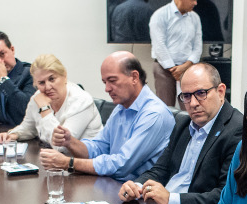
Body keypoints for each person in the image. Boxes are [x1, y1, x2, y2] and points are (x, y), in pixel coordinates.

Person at [118, 62, 241, 204]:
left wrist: (170, 199)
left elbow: (224, 196)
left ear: (220, 91)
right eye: (187, 96)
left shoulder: (237, 130)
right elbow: (160, 170)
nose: (193, 103)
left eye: (201, 93)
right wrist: (137, 186)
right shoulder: (183, 124)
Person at [40, 51, 172, 181]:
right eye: (105, 82)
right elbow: (98, 148)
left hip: (135, 190)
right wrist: (70, 142)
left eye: (112, 81)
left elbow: (122, 165)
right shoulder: (121, 108)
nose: (107, 89)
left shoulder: (154, 114)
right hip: (112, 183)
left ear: (134, 77)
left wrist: (68, 163)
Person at [0, 54, 102, 152]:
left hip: (86, 164)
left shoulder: (81, 100)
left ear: (64, 76)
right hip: (55, 161)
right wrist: (13, 135)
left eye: (52, 79)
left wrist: (45, 109)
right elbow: (29, 127)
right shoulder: (38, 97)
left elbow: (62, 146)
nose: (48, 87)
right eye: (41, 83)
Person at [149, 0, 202, 106]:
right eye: (193, 0)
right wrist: (173, 69)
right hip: (164, 69)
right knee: (166, 108)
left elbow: (198, 45)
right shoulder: (160, 15)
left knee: (190, 107)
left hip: (187, 68)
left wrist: (186, 66)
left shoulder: (195, 17)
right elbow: (159, 45)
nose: (195, 3)